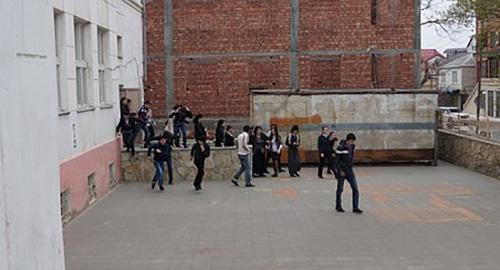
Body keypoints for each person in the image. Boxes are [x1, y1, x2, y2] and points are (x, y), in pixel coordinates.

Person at [334, 133, 363, 214]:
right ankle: (338, 206)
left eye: (352, 142)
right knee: (340, 189)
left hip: (349, 170)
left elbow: (351, 157)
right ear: (347, 140)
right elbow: (336, 161)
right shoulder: (340, 147)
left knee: (355, 188)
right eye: (350, 141)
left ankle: (355, 207)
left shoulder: (353, 146)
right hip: (342, 171)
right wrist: (339, 171)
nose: (351, 143)